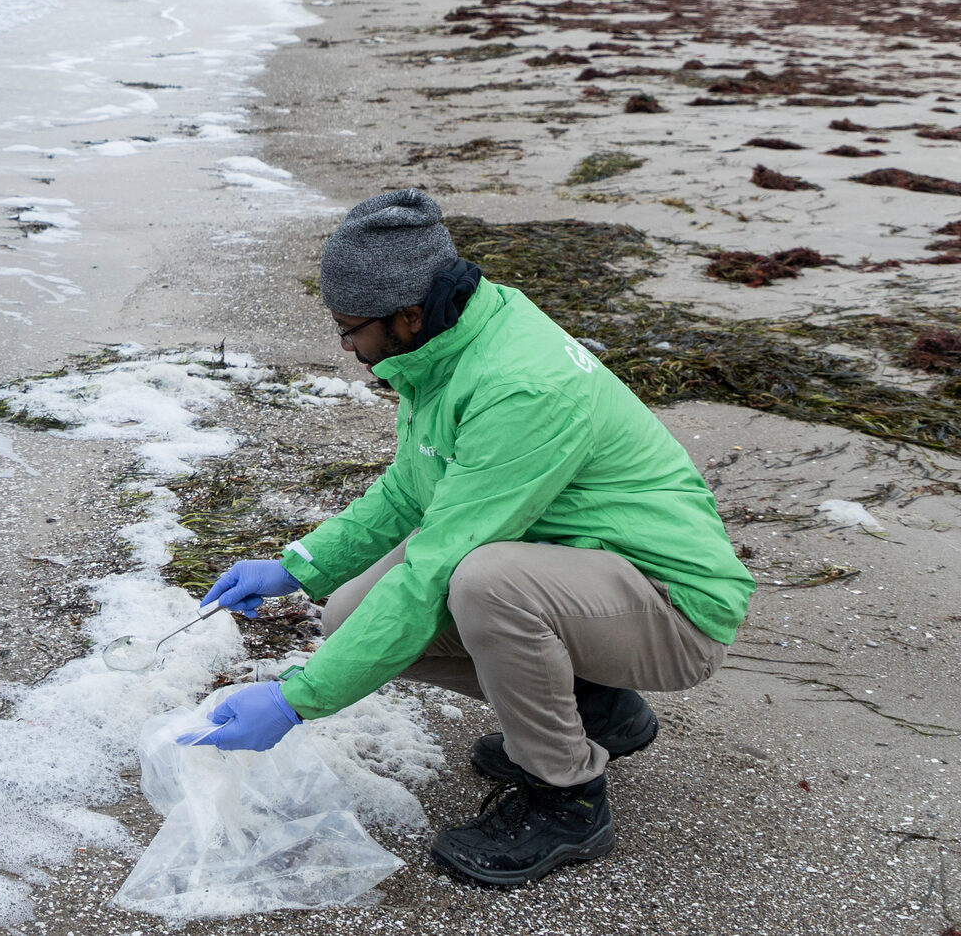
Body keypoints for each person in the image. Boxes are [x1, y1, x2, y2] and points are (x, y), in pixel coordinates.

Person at [183, 188, 754, 888]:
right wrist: (297, 566)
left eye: (348, 328)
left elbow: (435, 568)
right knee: (347, 613)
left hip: (672, 607)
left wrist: (297, 699)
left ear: (408, 315)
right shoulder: (449, 345)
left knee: (484, 583)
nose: (346, 347)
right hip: (588, 578)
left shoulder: (519, 384)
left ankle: (567, 798)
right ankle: (593, 708)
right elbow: (408, 491)